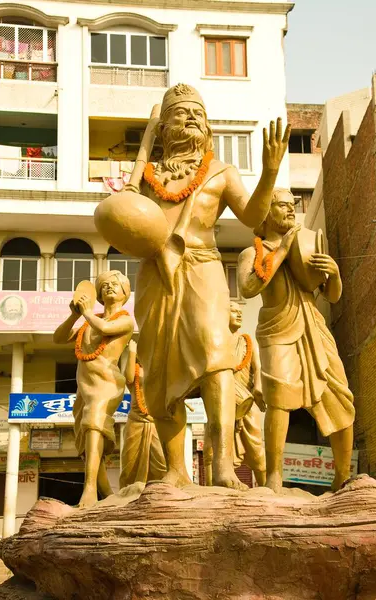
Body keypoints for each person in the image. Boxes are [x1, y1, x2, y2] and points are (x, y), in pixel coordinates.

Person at [134, 83, 290, 489]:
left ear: (208, 128)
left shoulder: (221, 172)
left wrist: (270, 171)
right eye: (180, 113)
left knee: (215, 356)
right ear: (164, 126)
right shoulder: (148, 177)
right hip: (155, 275)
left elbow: (254, 216)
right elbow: (125, 209)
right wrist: (145, 143)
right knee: (157, 369)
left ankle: (221, 466)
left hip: (203, 267)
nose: (189, 119)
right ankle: (176, 470)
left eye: (197, 114)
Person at [237, 188, 355, 493]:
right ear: (265, 214)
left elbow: (331, 295)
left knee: (341, 397)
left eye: (293, 206)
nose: (291, 211)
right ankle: (274, 476)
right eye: (282, 206)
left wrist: (335, 274)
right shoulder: (253, 253)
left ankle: (343, 476)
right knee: (279, 399)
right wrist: (282, 250)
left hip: (313, 326)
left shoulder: (305, 246)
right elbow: (249, 287)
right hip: (278, 329)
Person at [54, 271, 134, 507]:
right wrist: (73, 315)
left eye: (115, 284)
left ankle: (89, 490)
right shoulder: (87, 324)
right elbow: (59, 338)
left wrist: (87, 312)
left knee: (94, 425)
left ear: (125, 292)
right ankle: (108, 494)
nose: (109, 287)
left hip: (108, 382)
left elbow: (105, 329)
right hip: (85, 388)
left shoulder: (124, 320)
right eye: (104, 285)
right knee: (87, 440)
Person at [203, 302, 266, 486]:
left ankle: (266, 488)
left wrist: (258, 387)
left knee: (256, 451)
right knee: (210, 450)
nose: (239, 315)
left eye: (240, 312)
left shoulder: (247, 342)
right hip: (220, 402)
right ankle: (211, 489)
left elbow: (259, 367)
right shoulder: (216, 342)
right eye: (234, 311)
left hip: (246, 402)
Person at [120, 340, 166, 488]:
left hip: (156, 422)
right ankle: (127, 493)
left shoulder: (158, 370)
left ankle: (159, 492)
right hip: (136, 421)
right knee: (130, 465)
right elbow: (128, 379)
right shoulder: (135, 369)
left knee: (162, 463)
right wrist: (131, 351)